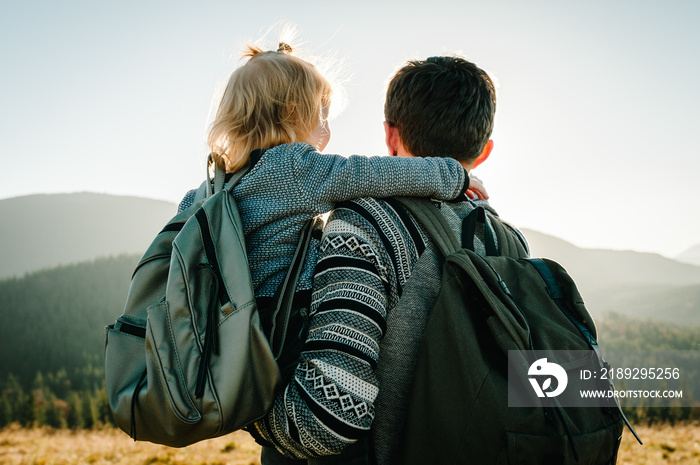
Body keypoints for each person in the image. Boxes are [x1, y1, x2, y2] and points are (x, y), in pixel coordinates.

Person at [250, 55, 528, 464]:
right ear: (484, 152)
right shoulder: (511, 244)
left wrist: (241, 408)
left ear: (389, 136)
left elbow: (326, 421)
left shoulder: (367, 225)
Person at [177, 43, 486, 375]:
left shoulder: (207, 191)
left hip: (223, 331)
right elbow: (371, 176)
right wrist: (455, 175)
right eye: (322, 113)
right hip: (280, 326)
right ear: (294, 114)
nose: (327, 126)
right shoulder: (293, 167)